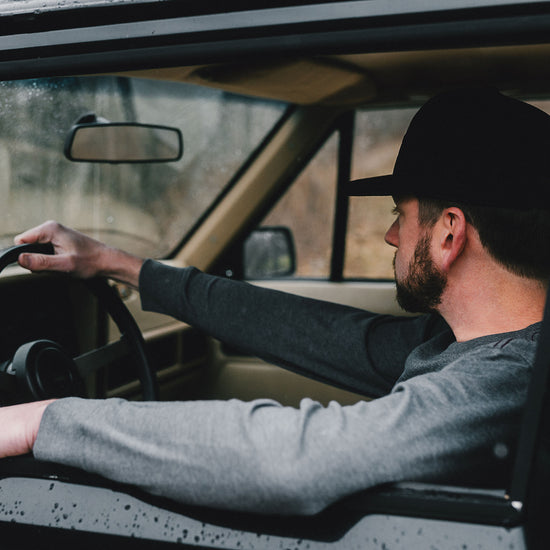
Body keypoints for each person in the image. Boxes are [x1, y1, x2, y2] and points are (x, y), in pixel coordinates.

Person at [0, 87, 549, 516]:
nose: (390, 239)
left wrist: (46, 420)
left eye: (397, 218)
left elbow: (298, 461)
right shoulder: (461, 341)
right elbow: (319, 332)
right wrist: (117, 264)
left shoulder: (506, 382)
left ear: (449, 234)